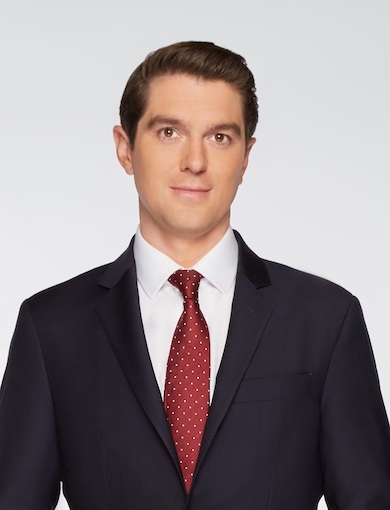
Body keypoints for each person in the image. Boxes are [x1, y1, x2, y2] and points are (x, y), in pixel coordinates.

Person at [0, 41, 389, 510]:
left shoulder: (326, 319)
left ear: (246, 156)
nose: (196, 161)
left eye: (220, 137)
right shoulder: (52, 326)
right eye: (169, 132)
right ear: (125, 148)